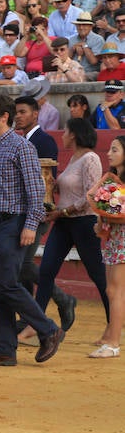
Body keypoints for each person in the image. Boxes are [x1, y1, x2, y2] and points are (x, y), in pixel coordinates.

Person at [0, 94, 65, 367]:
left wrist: (30, 225)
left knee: (7, 284)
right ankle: (4, 349)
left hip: (14, 223)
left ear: (4, 117)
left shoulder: (21, 147)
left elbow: (36, 190)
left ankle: (48, 329)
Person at [19, 118, 109, 348]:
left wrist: (61, 212)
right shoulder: (73, 158)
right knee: (46, 271)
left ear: (75, 134)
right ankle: (36, 325)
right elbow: (69, 189)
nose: (63, 135)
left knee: (98, 275)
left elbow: (90, 197)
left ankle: (112, 326)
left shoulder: (91, 159)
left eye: (66, 131)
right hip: (64, 222)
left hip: (82, 222)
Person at [14, 95, 78, 337]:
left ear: (35, 114)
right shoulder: (25, 140)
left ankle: (63, 299)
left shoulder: (44, 141)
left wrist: (40, 210)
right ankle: (28, 315)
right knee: (21, 266)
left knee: (23, 264)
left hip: (38, 210)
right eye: (16, 112)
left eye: (22, 112)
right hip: (25, 210)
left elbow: (45, 180)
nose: (18, 116)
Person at [94, 135, 125, 358]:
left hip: (123, 239)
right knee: (112, 290)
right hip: (115, 239)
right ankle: (111, 337)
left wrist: (109, 218)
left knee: (115, 291)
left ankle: (114, 344)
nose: (109, 153)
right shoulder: (114, 180)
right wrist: (102, 221)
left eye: (115, 150)